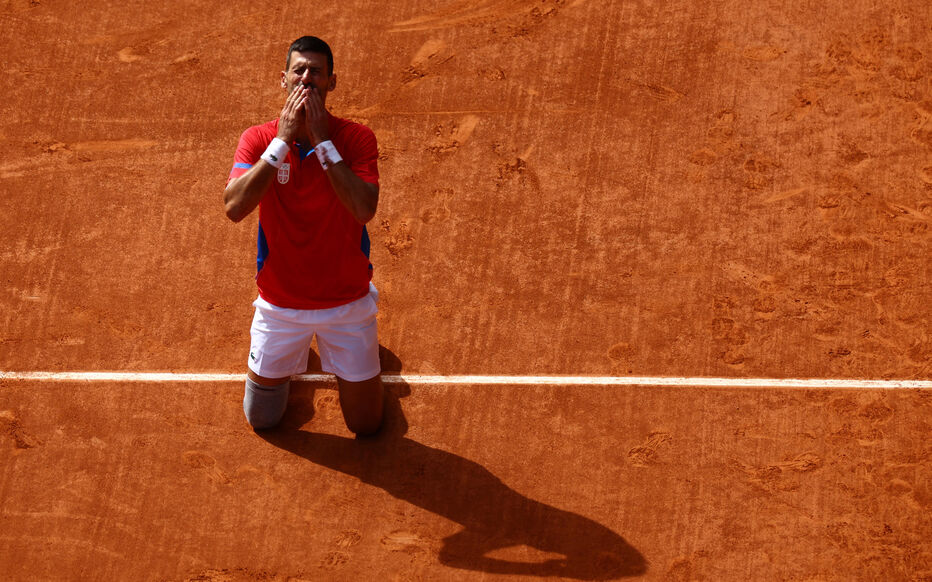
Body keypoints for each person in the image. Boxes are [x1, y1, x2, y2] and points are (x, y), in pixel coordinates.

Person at [223, 36, 383, 435]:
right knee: (262, 419)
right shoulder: (258, 139)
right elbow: (234, 208)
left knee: (366, 426)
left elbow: (364, 209)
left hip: (346, 302)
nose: (307, 79)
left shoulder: (357, 138)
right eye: (299, 71)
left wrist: (323, 142)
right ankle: (298, 358)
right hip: (280, 304)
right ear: (284, 80)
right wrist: (281, 142)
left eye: (316, 72)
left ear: (332, 82)